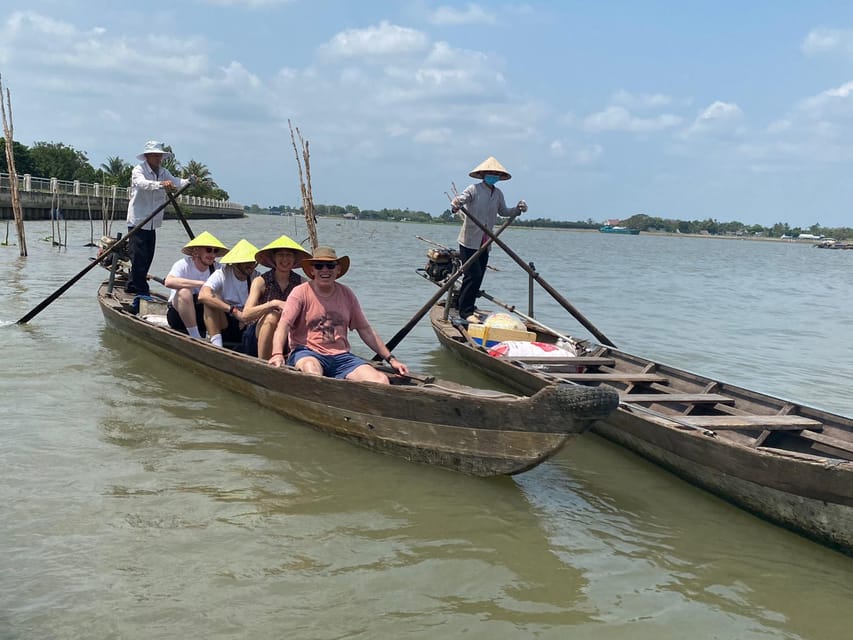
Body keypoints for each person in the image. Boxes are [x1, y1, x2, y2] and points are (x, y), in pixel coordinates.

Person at [268, 246, 409, 383]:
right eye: (319, 266)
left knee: (380, 380)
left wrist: (391, 359)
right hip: (307, 352)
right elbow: (284, 325)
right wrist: (277, 354)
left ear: (338, 269)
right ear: (312, 270)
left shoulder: (347, 294)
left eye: (330, 266)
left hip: (341, 356)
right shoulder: (300, 292)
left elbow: (365, 330)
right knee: (312, 372)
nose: (325, 270)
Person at [451, 156, 527, 322]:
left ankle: (466, 306)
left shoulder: (498, 194)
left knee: (479, 276)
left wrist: (518, 209)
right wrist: (456, 203)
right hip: (469, 239)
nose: (493, 176)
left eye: (496, 174)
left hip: (486, 241)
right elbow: (461, 200)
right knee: (472, 274)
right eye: (490, 173)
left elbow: (504, 211)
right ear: (484, 174)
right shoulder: (474, 189)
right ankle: (465, 311)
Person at [126, 140, 195, 295]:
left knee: (148, 256)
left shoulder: (163, 172)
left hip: (153, 222)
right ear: (148, 156)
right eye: (156, 156)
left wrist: (188, 181)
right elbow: (143, 184)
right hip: (138, 220)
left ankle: (133, 284)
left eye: (160, 156)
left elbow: (176, 182)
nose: (159, 159)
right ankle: (140, 290)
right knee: (138, 257)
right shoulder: (139, 170)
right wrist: (161, 185)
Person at [240, 235, 311, 359]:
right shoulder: (261, 281)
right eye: (281, 255)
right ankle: (264, 363)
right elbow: (246, 315)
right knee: (272, 316)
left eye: (289, 255)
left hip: (289, 334)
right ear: (274, 258)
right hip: (258, 334)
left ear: (294, 259)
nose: (285, 259)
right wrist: (273, 304)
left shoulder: (302, 283)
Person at [163, 231, 228, 339]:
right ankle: (195, 336)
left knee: (216, 296)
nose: (212, 255)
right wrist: (201, 284)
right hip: (179, 316)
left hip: (203, 315)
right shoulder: (183, 264)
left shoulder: (217, 268)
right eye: (208, 250)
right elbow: (169, 282)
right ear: (197, 251)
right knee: (184, 292)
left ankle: (215, 336)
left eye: (215, 251)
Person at [198, 239, 260, 349]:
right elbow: (203, 295)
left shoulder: (256, 277)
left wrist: (246, 316)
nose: (251, 265)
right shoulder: (222, 273)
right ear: (237, 263)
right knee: (211, 301)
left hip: (248, 324)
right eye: (247, 262)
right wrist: (233, 310)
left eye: (253, 262)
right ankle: (217, 346)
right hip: (226, 321)